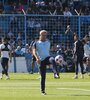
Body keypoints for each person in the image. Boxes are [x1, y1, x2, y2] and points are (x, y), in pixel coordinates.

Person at [33, 30, 59, 95]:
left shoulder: (48, 42)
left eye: (45, 35)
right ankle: (42, 91)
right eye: (43, 35)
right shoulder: (36, 43)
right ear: (40, 35)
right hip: (41, 60)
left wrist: (55, 48)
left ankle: (56, 74)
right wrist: (37, 58)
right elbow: (34, 51)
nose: (44, 36)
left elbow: (53, 48)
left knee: (52, 59)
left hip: (47, 58)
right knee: (43, 76)